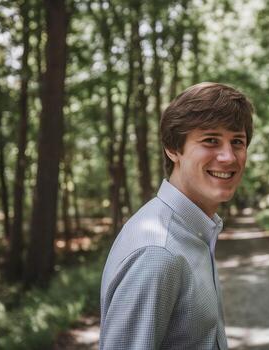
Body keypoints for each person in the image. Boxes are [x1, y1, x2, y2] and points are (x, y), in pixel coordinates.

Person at [99, 82, 254, 350]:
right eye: (210, 140)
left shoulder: (194, 232)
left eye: (237, 142)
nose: (229, 157)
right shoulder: (158, 252)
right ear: (173, 148)